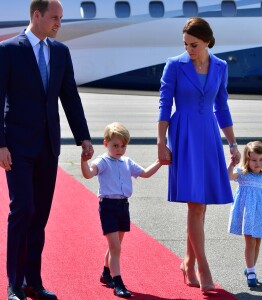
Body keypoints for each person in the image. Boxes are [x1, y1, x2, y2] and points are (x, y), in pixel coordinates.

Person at [0, 1, 94, 299]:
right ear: (36, 15)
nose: (59, 23)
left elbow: (69, 96)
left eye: (61, 18)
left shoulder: (60, 52)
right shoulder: (9, 50)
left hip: (48, 145)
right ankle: (13, 284)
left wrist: (84, 138)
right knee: (22, 209)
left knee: (39, 215)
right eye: (55, 17)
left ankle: (33, 281)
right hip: (16, 146)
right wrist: (0, 143)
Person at [157, 17, 241, 291]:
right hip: (183, 135)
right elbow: (164, 104)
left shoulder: (220, 66)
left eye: (194, 45)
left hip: (208, 136)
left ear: (207, 41)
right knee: (195, 203)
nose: (189, 49)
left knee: (201, 205)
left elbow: (222, 107)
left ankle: (188, 262)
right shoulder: (174, 65)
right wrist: (161, 141)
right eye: (185, 44)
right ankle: (203, 267)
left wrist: (232, 143)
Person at [81, 122, 162, 298]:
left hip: (123, 206)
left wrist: (159, 162)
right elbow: (88, 174)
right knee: (115, 246)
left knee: (116, 245)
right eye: (115, 145)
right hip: (108, 206)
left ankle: (105, 273)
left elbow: (145, 173)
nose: (119, 149)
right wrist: (83, 161)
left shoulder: (127, 162)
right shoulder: (102, 161)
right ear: (106, 144)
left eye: (123, 146)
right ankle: (118, 282)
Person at [227, 141, 262, 287]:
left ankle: (251, 268)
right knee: (249, 241)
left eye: (261, 160)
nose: (257, 163)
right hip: (247, 214)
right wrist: (231, 164)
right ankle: (251, 272)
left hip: (261, 214)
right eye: (254, 160)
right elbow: (228, 176)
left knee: (257, 242)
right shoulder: (242, 174)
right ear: (247, 160)